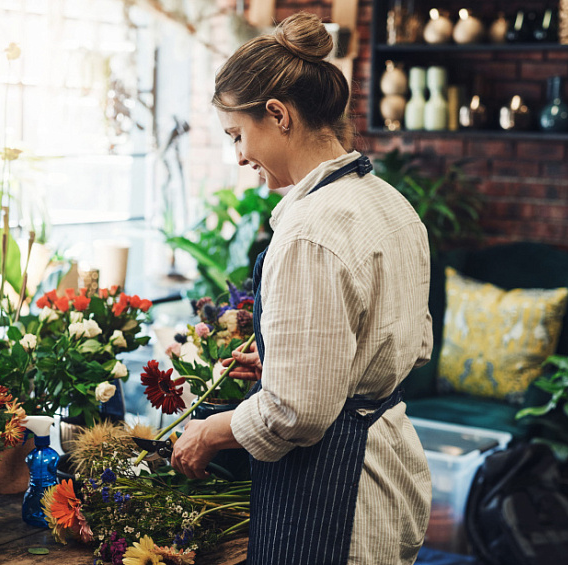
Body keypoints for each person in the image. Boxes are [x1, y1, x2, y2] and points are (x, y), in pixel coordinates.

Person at [170, 12, 433, 565]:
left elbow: (297, 415)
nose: (239, 155)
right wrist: (295, 367)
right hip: (392, 474)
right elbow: (408, 343)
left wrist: (209, 431)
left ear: (278, 114)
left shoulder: (310, 232)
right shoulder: (391, 204)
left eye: (239, 135)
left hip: (338, 499)